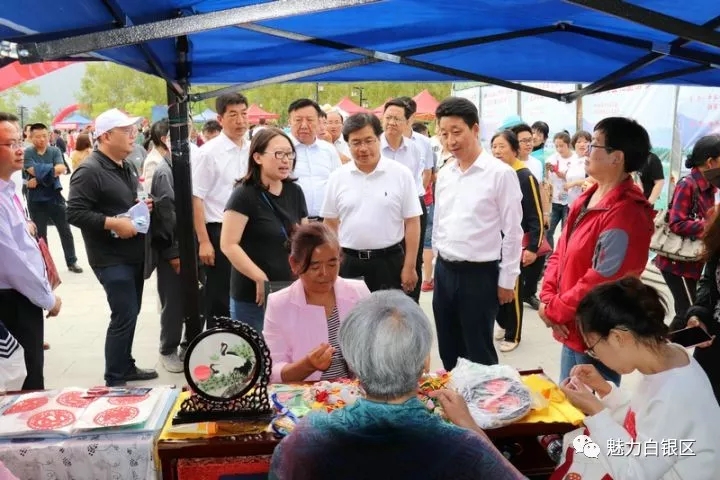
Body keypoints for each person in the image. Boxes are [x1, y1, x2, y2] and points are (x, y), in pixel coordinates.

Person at [269, 290, 525, 480]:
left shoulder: (310, 438)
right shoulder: (463, 445)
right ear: (423, 362)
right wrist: (474, 430)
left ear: (352, 361)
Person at [557, 277, 720, 479]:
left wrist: (596, 411)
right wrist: (605, 390)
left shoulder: (672, 395)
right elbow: (645, 417)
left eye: (592, 348)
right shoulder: (671, 355)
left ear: (618, 338)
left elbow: (632, 474)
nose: (595, 355)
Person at [539, 117, 655, 385]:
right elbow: (561, 251)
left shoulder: (627, 213)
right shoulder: (588, 196)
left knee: (593, 404)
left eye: (594, 144)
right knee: (569, 397)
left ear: (617, 157)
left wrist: (555, 310)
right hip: (571, 325)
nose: (587, 150)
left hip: (597, 334)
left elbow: (601, 280)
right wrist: (547, 298)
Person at [67, 108, 158, 387]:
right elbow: (74, 213)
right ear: (106, 136)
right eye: (126, 131)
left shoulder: (126, 165)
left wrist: (141, 207)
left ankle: (125, 365)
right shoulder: (89, 170)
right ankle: (115, 378)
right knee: (123, 314)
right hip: (109, 257)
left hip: (132, 253)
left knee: (131, 313)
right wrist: (113, 223)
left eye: (134, 130)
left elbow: (125, 201)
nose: (133, 135)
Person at [432, 97, 523, 369]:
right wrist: (436, 263)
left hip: (479, 275)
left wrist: (507, 279)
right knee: (448, 347)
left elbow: (513, 231)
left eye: (456, 132)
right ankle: (454, 393)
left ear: (475, 129)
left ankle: (485, 396)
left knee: (479, 351)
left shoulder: (500, 174)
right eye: (444, 133)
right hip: (445, 271)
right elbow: (439, 222)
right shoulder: (445, 173)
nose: (450, 140)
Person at [321, 113, 421, 294]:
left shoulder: (401, 174)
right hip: (349, 262)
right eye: (356, 142)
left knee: (388, 311)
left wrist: (410, 265)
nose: (363, 148)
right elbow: (329, 223)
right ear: (348, 144)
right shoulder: (337, 177)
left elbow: (412, 222)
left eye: (369, 141)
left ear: (379, 139)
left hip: (389, 262)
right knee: (350, 311)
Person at [220, 127, 308, 332]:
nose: (286, 160)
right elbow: (228, 244)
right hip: (253, 295)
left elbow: (305, 238)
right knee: (254, 349)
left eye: (289, 154)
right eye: (279, 154)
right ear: (257, 157)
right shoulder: (243, 195)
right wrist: (259, 277)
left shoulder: (295, 191)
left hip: (289, 289)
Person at [0, 112, 62, 390]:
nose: (19, 150)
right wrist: (48, 299)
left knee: (30, 372)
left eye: (18, 142)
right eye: (10, 144)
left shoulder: (9, 188)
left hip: (21, 297)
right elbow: (12, 263)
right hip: (11, 300)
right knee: (25, 382)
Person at [264, 223, 370, 383]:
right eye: (315, 267)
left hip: (354, 391)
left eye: (332, 264)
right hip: (305, 395)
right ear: (294, 264)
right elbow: (272, 371)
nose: (325, 273)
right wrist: (307, 365)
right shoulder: (279, 304)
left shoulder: (358, 292)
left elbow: (376, 348)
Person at [192, 92, 250, 327]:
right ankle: (217, 343)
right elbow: (196, 199)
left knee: (245, 291)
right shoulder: (208, 153)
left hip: (247, 230)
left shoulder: (252, 148)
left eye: (244, 114)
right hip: (219, 231)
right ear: (220, 119)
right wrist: (204, 241)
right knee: (220, 296)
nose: (240, 121)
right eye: (233, 115)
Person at [654, 135, 719, 331]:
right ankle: (664, 348)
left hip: (693, 261)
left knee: (688, 311)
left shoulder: (709, 187)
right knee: (687, 313)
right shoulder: (688, 184)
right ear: (711, 162)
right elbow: (677, 222)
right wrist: (711, 226)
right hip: (677, 263)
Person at [491, 130, 544, 353]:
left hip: (517, 243)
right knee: (495, 286)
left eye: (502, 146)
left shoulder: (524, 175)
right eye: (494, 146)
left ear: (514, 150)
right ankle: (503, 323)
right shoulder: (495, 174)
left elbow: (536, 214)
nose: (497, 151)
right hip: (494, 242)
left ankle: (513, 334)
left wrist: (533, 247)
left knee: (512, 288)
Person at [381, 98, 430, 303]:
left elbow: (420, 177)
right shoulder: (374, 146)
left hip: (412, 208)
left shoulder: (416, 148)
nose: (392, 122)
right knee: (387, 256)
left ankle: (411, 305)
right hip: (383, 209)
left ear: (408, 122)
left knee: (412, 259)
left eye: (397, 119)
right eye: (388, 118)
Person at [23, 123, 83, 273]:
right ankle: (45, 264)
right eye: (38, 136)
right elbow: (31, 169)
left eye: (44, 136)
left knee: (65, 230)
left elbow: (61, 168)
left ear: (49, 135)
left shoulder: (55, 150)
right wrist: (52, 170)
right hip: (36, 200)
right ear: (31, 137)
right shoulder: (28, 152)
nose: (42, 139)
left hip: (55, 196)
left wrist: (38, 180)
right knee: (40, 234)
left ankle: (72, 261)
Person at [287, 99, 341, 221]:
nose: (304, 125)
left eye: (310, 120)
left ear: (319, 121)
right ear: (289, 121)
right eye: (298, 120)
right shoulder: (281, 150)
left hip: (325, 222)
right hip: (292, 222)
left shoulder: (329, 150)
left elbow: (339, 183)